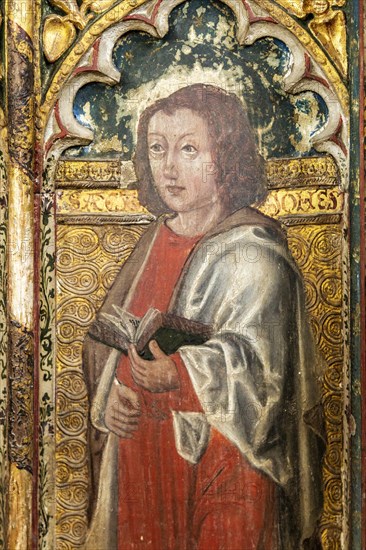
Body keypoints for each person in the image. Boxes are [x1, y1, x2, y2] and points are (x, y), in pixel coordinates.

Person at [82, 84, 325, 549]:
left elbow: (266, 374)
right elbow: (105, 339)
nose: (169, 167)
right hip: (141, 463)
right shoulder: (151, 242)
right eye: (158, 148)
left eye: (189, 149)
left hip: (225, 467)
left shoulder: (255, 255)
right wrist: (110, 391)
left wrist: (177, 374)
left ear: (224, 158)